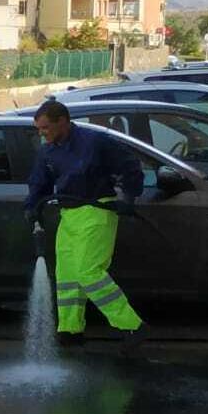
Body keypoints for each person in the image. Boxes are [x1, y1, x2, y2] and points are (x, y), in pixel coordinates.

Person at [24, 99, 150, 350]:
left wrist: (128, 197)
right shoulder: (48, 150)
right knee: (67, 276)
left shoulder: (95, 142)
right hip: (68, 214)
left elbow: (130, 166)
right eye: (39, 129)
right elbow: (39, 182)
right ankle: (71, 330)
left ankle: (131, 325)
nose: (42, 133)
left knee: (88, 271)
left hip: (97, 209)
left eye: (45, 128)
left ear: (63, 122)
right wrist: (31, 207)